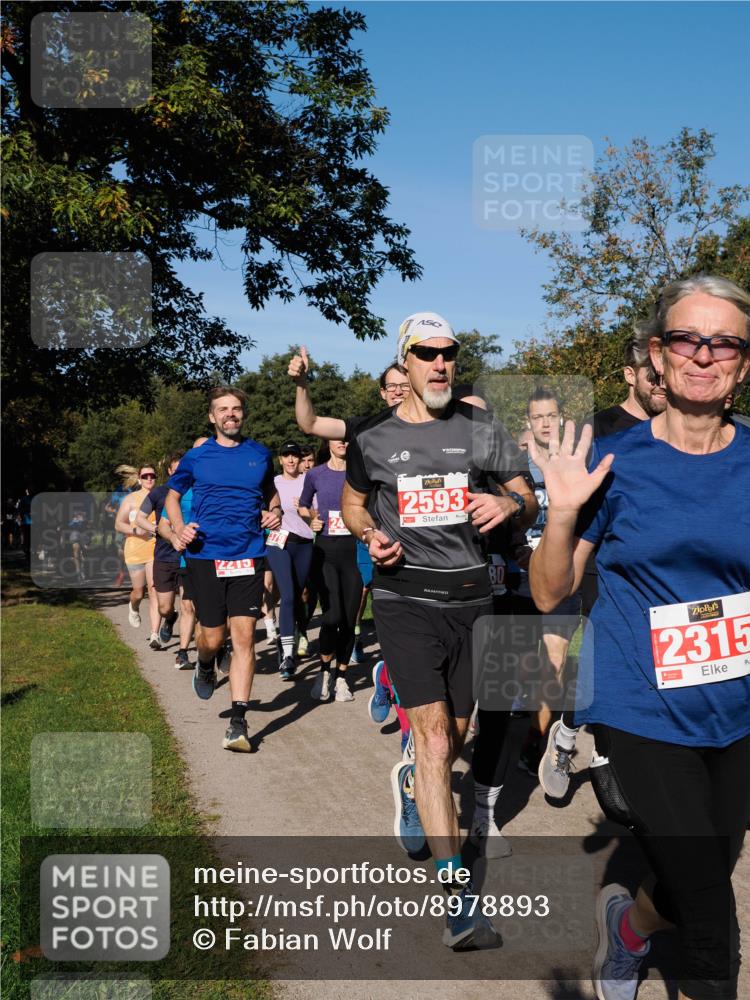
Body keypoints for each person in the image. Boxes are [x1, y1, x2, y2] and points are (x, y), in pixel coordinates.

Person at [529, 275, 750, 1000]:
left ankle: (629, 926)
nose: (704, 355)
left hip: (739, 706)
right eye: (688, 338)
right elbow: (550, 593)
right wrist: (561, 514)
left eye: (725, 343)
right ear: (659, 354)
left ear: (743, 364)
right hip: (643, 706)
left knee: (707, 870)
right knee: (717, 920)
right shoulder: (613, 462)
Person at [342, 311, 537, 950]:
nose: (441, 364)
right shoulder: (374, 437)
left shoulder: (480, 427)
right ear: (407, 362)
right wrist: (369, 532)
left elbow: (527, 496)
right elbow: (352, 501)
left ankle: (410, 783)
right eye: (427, 354)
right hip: (404, 603)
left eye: (449, 353)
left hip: (472, 601)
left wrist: (508, 504)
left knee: (453, 736)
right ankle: (457, 899)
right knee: (432, 741)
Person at [165, 386, 281, 753]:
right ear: (212, 417)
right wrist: (180, 527)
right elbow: (171, 495)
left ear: (243, 414)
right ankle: (205, 662)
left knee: (244, 636)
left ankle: (238, 721)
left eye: (236, 409)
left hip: (248, 554)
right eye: (222, 409)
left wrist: (274, 511)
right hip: (205, 557)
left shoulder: (260, 454)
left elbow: (271, 493)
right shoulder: (197, 457)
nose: (230, 414)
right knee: (212, 638)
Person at [298, 439, 360, 702]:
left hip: (354, 551)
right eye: (337, 439)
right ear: (329, 443)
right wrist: (311, 518)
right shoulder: (315, 474)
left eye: (346, 439)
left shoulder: (360, 472)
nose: (342, 443)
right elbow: (302, 505)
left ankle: (342, 678)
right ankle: (323, 673)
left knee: (348, 619)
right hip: (325, 551)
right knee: (332, 617)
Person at [266, 441, 315, 680]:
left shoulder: (310, 480)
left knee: (297, 597)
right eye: (286, 455)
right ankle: (288, 655)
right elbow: (260, 506)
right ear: (280, 459)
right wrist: (267, 514)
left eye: (295, 455)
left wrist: (307, 511)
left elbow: (319, 516)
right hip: (279, 542)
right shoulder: (273, 482)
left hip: (304, 543)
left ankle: (287, 636)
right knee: (287, 595)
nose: (291, 460)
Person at [135, 452, 184, 649]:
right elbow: (140, 518)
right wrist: (156, 529)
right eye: (177, 469)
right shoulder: (159, 493)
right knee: (164, 607)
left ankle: (186, 651)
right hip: (164, 555)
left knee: (190, 604)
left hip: (188, 556)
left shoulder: (196, 491)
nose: (181, 472)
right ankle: (170, 618)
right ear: (170, 471)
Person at [114, 465, 160, 641]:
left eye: (152, 475)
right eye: (145, 476)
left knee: (154, 589)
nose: (149, 478)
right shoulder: (131, 499)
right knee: (139, 592)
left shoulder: (161, 496)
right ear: (139, 479)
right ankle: (133, 606)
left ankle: (154, 634)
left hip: (155, 550)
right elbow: (118, 524)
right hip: (134, 550)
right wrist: (135, 530)